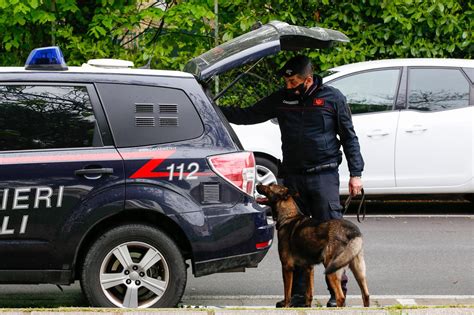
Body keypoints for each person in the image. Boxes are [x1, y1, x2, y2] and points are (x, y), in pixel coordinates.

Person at [220, 55, 364, 308]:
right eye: (286, 81)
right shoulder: (281, 98)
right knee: (295, 239)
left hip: (324, 176)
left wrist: (356, 174)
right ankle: (299, 297)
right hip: (293, 179)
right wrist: (211, 107)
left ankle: (337, 294)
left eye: (293, 81)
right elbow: (247, 114)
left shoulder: (332, 98)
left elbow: (349, 136)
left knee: (333, 237)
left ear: (308, 79)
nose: (288, 86)